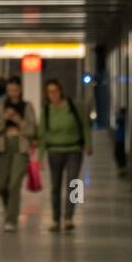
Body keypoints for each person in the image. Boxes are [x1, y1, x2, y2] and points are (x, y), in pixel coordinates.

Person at [37, 78, 92, 232]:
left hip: (74, 149)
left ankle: (69, 217)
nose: (53, 94)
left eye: (55, 91)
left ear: (61, 91)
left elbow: (84, 125)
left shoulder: (74, 106)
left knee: (75, 183)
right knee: (55, 186)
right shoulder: (46, 111)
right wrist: (40, 157)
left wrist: (88, 144)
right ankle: (56, 218)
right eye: (49, 92)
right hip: (54, 151)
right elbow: (42, 135)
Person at [0, 76, 37, 232]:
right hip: (3, 147)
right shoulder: (0, 106)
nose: (12, 93)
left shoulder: (27, 106)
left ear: (20, 90)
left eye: (15, 90)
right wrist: (4, 119)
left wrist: (18, 120)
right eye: (9, 90)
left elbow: (32, 130)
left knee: (14, 184)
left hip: (20, 147)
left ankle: (11, 219)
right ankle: (9, 209)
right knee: (1, 185)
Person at [113, 106, 129, 176]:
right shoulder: (120, 121)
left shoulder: (123, 121)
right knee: (118, 154)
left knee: (120, 155)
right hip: (118, 139)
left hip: (121, 140)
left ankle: (123, 169)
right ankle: (122, 168)